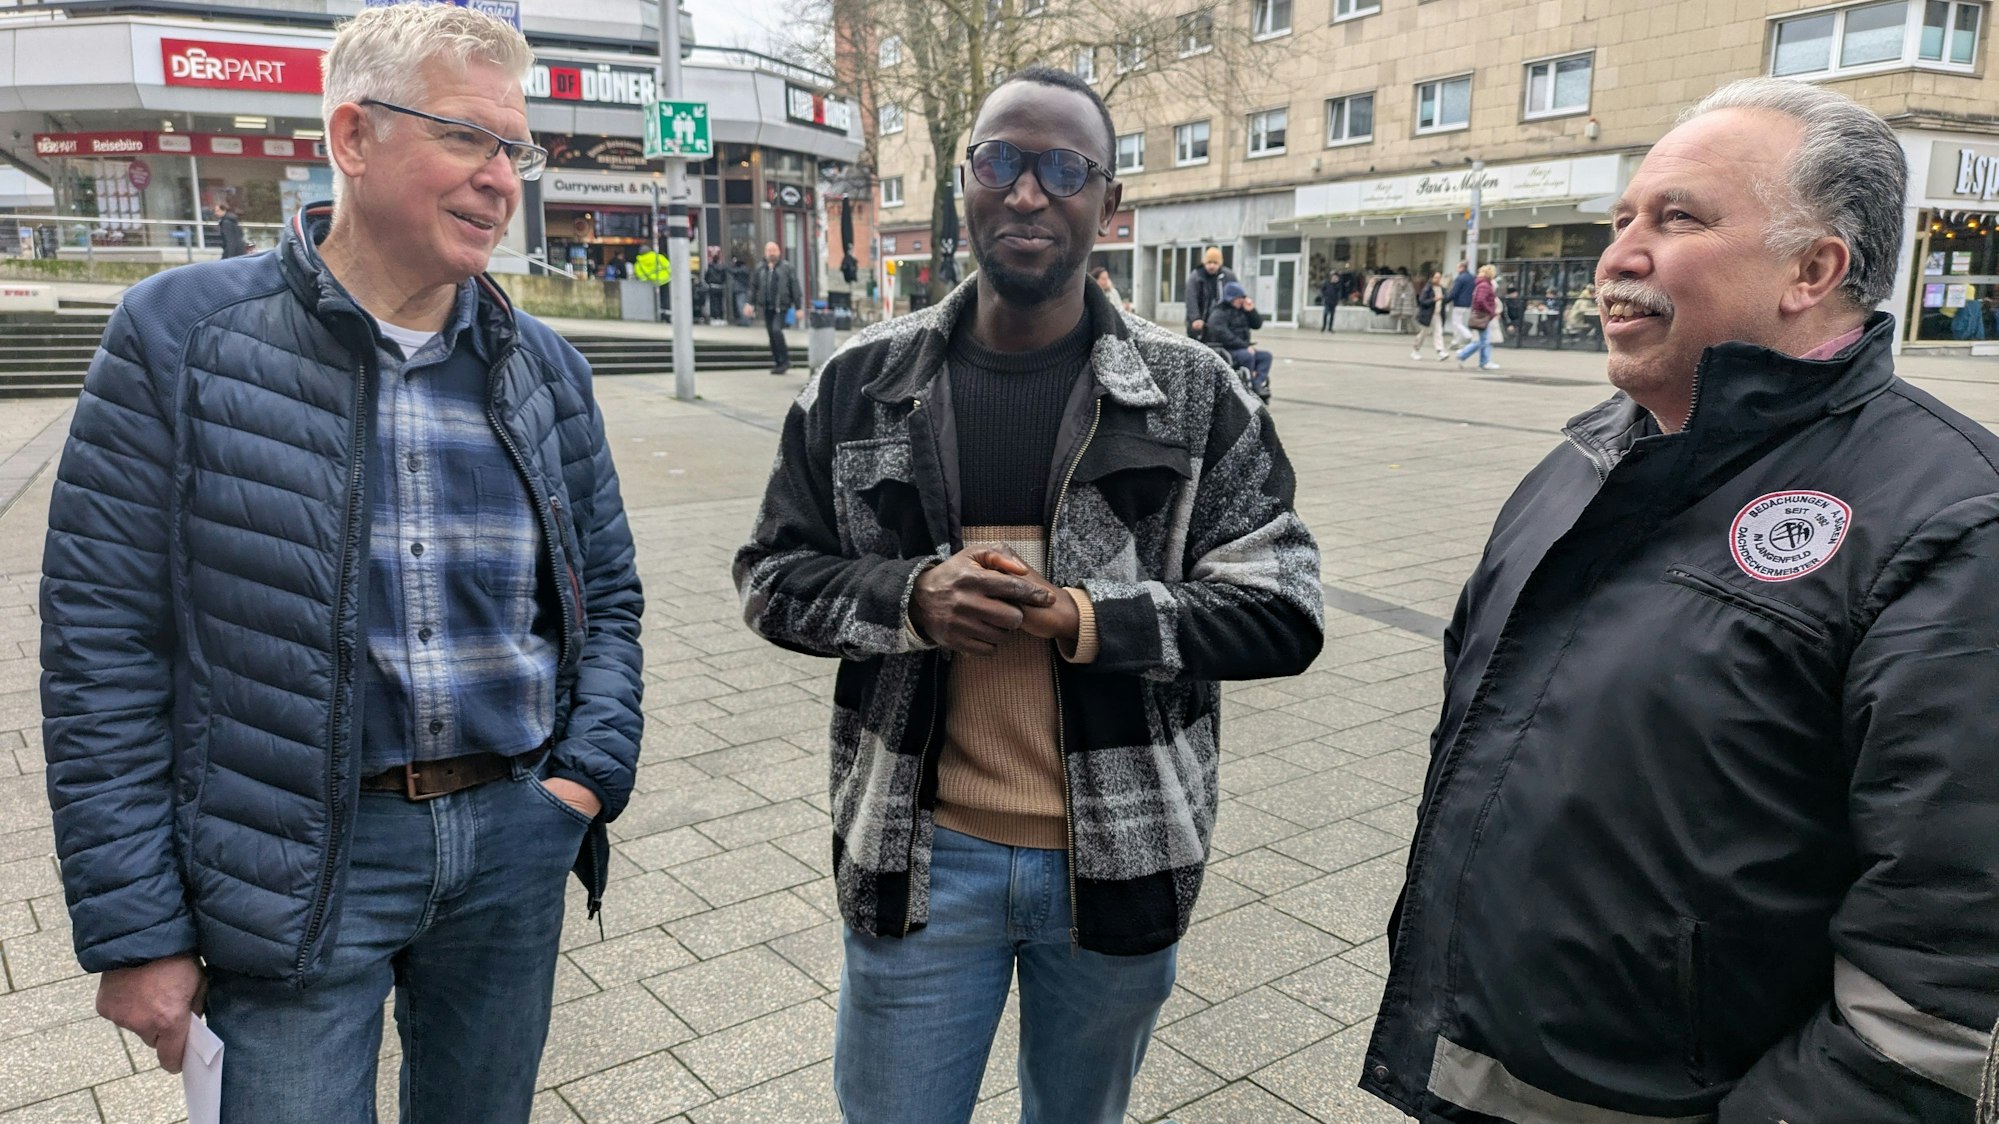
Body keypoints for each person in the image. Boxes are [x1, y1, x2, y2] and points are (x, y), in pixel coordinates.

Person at [38, 6, 646, 1121]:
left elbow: (604, 598)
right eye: (467, 137)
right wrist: (138, 931)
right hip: (291, 860)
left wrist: (581, 780)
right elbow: (102, 646)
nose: (501, 178)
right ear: (353, 136)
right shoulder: (179, 336)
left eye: (516, 148)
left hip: (514, 837)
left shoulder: (544, 366)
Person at [1363, 78, 1999, 1122]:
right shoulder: (1585, 453)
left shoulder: (1950, 522)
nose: (1619, 253)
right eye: (1622, 218)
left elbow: (1939, 973)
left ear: (1812, 268)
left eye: (1677, 218)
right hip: (1479, 1068)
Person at [734, 64, 1322, 1124]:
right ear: (965, 180)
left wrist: (1088, 618)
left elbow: (1285, 608)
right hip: (916, 857)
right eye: (1000, 161)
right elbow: (772, 578)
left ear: (1109, 202)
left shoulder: (1195, 394)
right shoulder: (859, 383)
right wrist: (910, 596)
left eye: (1063, 168)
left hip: (1121, 857)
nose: (1027, 193)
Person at [1206, 280, 1270, 399]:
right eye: (1238, 298)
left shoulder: (1242, 311)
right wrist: (1244, 346)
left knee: (1266, 356)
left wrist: (1251, 311)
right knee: (1247, 355)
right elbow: (1222, 334)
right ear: (1230, 298)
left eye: (1242, 298)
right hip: (1228, 349)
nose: (1241, 301)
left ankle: (1257, 383)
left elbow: (1257, 324)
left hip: (1242, 347)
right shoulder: (1219, 312)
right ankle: (1248, 387)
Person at [746, 240, 802, 374]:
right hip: (767, 307)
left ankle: (785, 360)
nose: (771, 254)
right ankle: (778, 362)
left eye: (774, 250)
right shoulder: (760, 268)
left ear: (779, 252)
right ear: (765, 253)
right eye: (769, 251)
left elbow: (794, 287)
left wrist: (798, 307)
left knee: (777, 331)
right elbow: (753, 287)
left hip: (781, 307)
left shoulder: (787, 268)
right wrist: (750, 304)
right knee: (771, 334)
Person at [1446, 263, 1501, 370]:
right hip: (1484, 315)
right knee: (1484, 340)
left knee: (1483, 340)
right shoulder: (1485, 285)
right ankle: (1480, 361)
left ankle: (1466, 356)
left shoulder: (1481, 284)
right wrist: (1490, 311)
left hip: (1481, 314)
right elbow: (1481, 300)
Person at [1183, 245, 1235, 339]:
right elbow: (1191, 299)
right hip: (1201, 321)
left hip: (1221, 322)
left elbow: (1235, 296)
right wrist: (1195, 318)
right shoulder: (1196, 277)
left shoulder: (1228, 276)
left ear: (1220, 263)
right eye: (1209, 262)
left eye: (1215, 263)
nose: (1212, 266)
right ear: (1204, 263)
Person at [1411, 270, 1448, 360]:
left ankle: (1440, 351)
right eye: (1436, 277)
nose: (1438, 279)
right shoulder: (1428, 288)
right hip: (1427, 315)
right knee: (1423, 333)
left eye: (1439, 278)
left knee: (1438, 332)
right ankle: (1416, 349)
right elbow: (1422, 301)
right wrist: (1433, 300)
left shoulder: (1442, 289)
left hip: (1437, 314)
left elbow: (1445, 300)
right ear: (1432, 278)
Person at [1445, 259, 1475, 344]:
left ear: (1462, 267)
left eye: (1457, 267)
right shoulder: (1472, 277)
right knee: (1462, 323)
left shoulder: (1459, 278)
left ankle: (1468, 335)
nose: (1456, 269)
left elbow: (1454, 292)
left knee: (1456, 323)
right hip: (1468, 304)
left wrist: (1446, 300)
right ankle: (1457, 341)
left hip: (1459, 304)